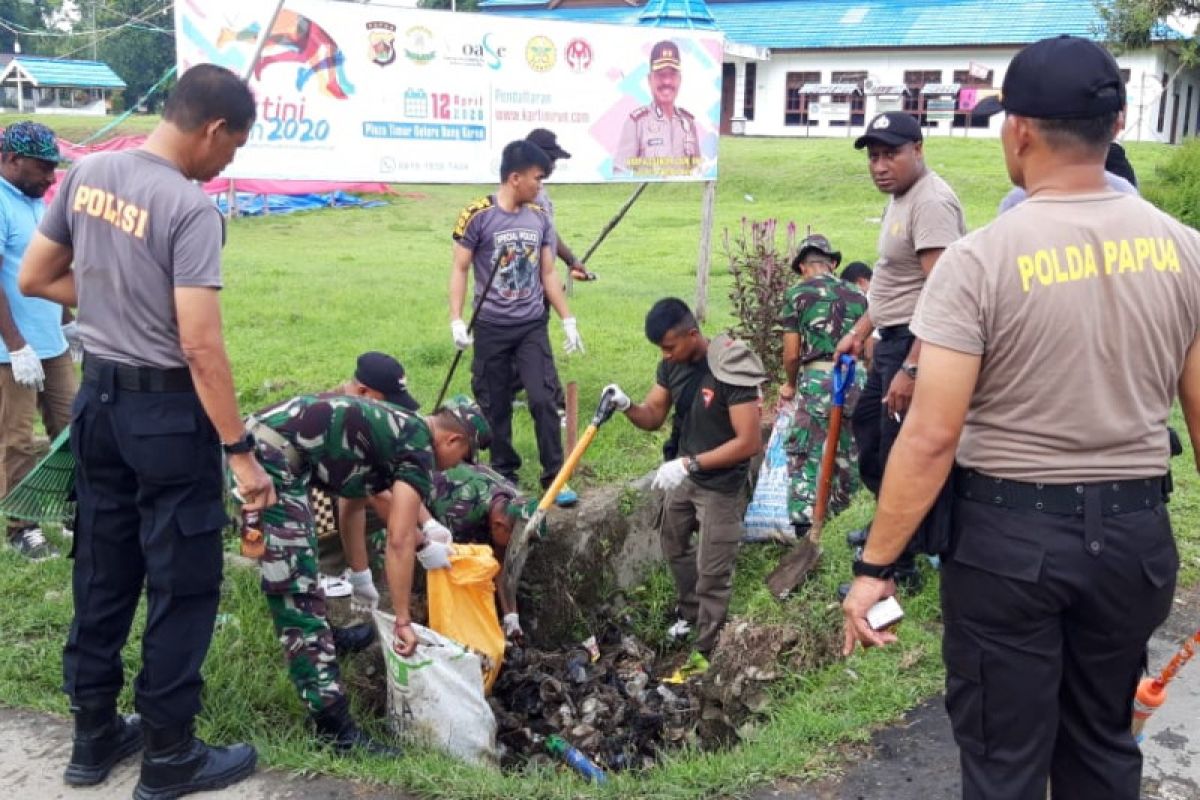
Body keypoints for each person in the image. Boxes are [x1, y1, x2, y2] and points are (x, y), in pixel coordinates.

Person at [842, 35, 1196, 799]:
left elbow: (932, 437)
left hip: (1011, 546)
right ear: (1118, 122)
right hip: (1135, 542)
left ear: (1021, 130)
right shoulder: (1186, 251)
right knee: (1103, 747)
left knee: (1004, 762)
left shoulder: (980, 261)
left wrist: (874, 569)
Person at [19, 64, 276, 798]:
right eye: (233, 148)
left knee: (102, 568)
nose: (229, 162)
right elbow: (199, 345)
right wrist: (239, 452)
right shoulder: (190, 209)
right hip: (165, 416)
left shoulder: (87, 173)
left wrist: (113, 305)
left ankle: (92, 738)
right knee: (182, 580)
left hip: (95, 403)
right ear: (213, 128)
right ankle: (170, 756)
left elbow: (37, 276)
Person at [241, 393, 486, 753]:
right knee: (298, 594)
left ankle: (330, 639)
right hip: (266, 462)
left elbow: (351, 503)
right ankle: (334, 727)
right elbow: (400, 540)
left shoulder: (394, 429)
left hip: (270, 449)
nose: (453, 468)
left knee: (302, 573)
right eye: (461, 457)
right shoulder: (417, 449)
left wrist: (361, 577)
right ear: (453, 440)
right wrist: (403, 620)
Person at [834, 110, 966, 589]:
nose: (879, 165)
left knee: (900, 455)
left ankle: (898, 565)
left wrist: (912, 365)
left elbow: (943, 292)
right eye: (873, 156)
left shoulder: (931, 203)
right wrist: (860, 328)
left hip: (916, 346)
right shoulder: (900, 198)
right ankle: (895, 529)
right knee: (869, 433)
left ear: (918, 149)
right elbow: (892, 278)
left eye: (891, 153)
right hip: (889, 341)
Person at [604, 299, 764, 672]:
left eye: (670, 347)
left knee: (713, 570)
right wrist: (626, 404)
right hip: (684, 476)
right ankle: (691, 614)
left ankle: (708, 648)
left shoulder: (731, 368)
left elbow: (748, 443)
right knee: (673, 543)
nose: (666, 355)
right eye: (661, 349)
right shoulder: (671, 367)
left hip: (720, 486)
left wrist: (691, 463)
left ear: (693, 334)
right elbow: (653, 416)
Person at [450, 139, 583, 506]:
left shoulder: (539, 217)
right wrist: (457, 321)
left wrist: (567, 319)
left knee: (543, 399)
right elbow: (460, 268)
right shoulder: (477, 215)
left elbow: (548, 273)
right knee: (496, 405)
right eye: (537, 178)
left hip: (529, 326)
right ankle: (503, 474)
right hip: (491, 326)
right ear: (515, 178)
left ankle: (554, 476)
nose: (540, 185)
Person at [0, 121, 77, 560]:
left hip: (52, 343)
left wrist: (68, 323)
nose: (51, 177)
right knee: (17, 439)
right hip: (12, 351)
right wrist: (14, 344)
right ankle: (21, 527)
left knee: (74, 430)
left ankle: (72, 512)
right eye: (44, 168)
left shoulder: (36, 202)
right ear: (12, 160)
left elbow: (47, 269)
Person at [778, 234, 867, 538]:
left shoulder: (797, 294)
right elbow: (866, 347)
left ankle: (806, 532)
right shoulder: (858, 294)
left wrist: (790, 385)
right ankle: (844, 525)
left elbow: (791, 354)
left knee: (806, 451)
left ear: (803, 266)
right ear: (833, 263)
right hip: (856, 378)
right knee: (849, 450)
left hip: (817, 380)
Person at [330, 351, 422, 610]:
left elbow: (382, 482)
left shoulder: (361, 415)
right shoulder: (342, 418)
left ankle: (355, 560)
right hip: (274, 495)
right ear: (363, 392)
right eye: (388, 402)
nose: (392, 411)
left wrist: (429, 524)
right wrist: (422, 541)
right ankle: (324, 566)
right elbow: (375, 493)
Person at [423, 462, 540, 641]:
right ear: (498, 526)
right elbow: (459, 571)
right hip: (418, 495)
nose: (518, 548)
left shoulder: (516, 503)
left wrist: (511, 615)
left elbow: (500, 560)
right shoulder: (462, 516)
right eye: (515, 543)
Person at [614, 40, 700, 177]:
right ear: (649, 79)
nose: (667, 81)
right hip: (648, 196)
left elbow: (697, 170)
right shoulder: (637, 123)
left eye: (672, 75)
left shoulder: (688, 123)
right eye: (660, 75)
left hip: (683, 197)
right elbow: (620, 173)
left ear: (679, 79)